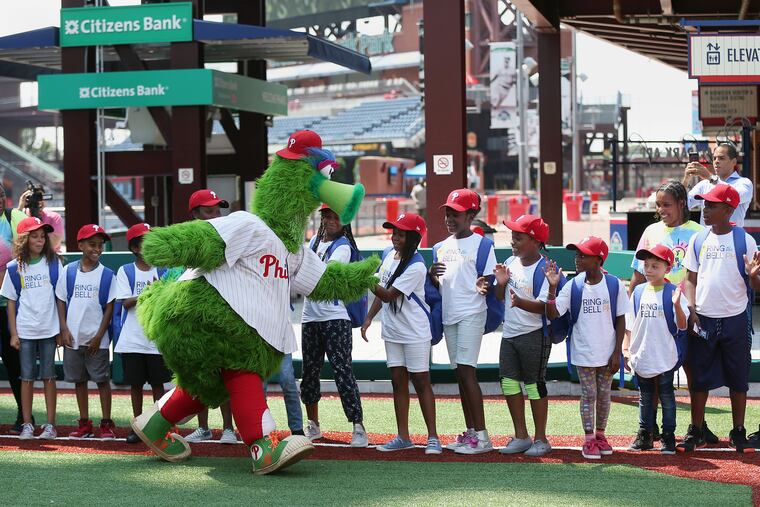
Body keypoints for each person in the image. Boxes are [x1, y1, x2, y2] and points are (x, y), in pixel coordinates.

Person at [679, 184, 760, 453]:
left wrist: (753, 277)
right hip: (703, 318)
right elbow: (690, 278)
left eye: (712, 205)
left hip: (736, 318)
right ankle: (696, 429)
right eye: (705, 204)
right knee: (698, 377)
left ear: (728, 210)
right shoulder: (698, 239)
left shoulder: (744, 240)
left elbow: (755, 285)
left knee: (738, 377)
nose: (705, 210)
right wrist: (691, 309)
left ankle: (738, 430)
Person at [626, 180, 709, 441]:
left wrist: (693, 309)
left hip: (689, 313)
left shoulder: (699, 232)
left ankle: (698, 426)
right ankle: (649, 428)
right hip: (655, 317)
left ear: (682, 204)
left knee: (693, 370)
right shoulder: (651, 231)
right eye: (658, 205)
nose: (661, 210)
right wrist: (630, 305)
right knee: (654, 375)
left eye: (667, 205)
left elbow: (703, 275)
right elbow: (638, 274)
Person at [544, 236, 630, 460]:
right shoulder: (573, 285)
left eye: (583, 255)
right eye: (577, 254)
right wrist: (552, 288)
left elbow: (621, 319)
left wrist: (617, 352)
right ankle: (589, 438)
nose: (577, 259)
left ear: (599, 259)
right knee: (589, 394)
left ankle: (600, 435)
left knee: (604, 395)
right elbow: (553, 313)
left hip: (608, 353)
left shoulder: (614, 285)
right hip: (583, 352)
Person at [362, 212, 441, 454]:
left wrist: (362, 276)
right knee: (397, 382)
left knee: (421, 381)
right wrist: (369, 318)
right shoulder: (389, 255)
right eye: (394, 232)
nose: (395, 237)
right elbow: (383, 290)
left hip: (415, 331)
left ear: (414, 238)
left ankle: (433, 437)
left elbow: (388, 295)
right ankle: (403, 436)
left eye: (401, 234)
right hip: (393, 330)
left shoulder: (416, 265)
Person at [429, 188, 496, 455]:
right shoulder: (440, 247)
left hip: (472, 313)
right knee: (460, 374)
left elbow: (490, 279)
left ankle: (482, 437)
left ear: (471, 215)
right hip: (450, 316)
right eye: (447, 213)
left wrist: (485, 285)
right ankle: (471, 433)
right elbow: (440, 283)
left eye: (455, 214)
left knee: (467, 372)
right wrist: (431, 275)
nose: (449, 218)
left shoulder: (483, 245)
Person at [482, 214, 552, 457]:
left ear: (535, 241)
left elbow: (546, 307)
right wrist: (500, 283)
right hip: (510, 334)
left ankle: (541, 438)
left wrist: (521, 302)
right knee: (509, 382)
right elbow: (499, 297)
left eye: (519, 237)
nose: (513, 241)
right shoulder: (510, 262)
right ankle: (521, 435)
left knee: (534, 385)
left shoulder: (545, 268)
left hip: (534, 335)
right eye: (513, 236)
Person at [301, 205, 367, 446]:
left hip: (336, 318)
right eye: (326, 216)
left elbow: (324, 277)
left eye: (335, 216)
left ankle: (358, 426)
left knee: (342, 371)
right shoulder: (314, 243)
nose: (330, 220)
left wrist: (305, 272)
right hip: (310, 317)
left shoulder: (344, 247)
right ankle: (313, 424)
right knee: (309, 373)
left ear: (345, 220)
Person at [182, 189, 237, 444]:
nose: (215, 215)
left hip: (224, 313)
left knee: (225, 372)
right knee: (200, 374)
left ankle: (228, 429)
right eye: (209, 211)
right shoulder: (187, 241)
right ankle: (203, 428)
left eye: (217, 210)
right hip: (196, 314)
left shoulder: (229, 237)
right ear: (195, 214)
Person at [1, 217, 64, 439]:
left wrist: (61, 329)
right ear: (24, 240)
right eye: (34, 236)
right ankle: (27, 424)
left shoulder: (54, 263)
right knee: (26, 378)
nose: (40, 240)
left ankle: (50, 425)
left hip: (49, 330)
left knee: (49, 376)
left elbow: (60, 298)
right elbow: (10, 301)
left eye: (42, 236)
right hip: (25, 330)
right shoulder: (14, 268)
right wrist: (14, 333)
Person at [625, 244, 689, 455]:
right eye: (646, 265)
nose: (649, 270)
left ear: (667, 268)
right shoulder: (638, 292)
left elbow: (682, 326)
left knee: (667, 395)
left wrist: (677, 305)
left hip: (664, 354)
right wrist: (626, 350)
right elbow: (630, 324)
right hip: (642, 353)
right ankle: (645, 434)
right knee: (645, 396)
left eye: (655, 266)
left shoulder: (673, 292)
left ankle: (668, 436)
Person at [56, 224, 117, 439]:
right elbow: (61, 300)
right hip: (73, 338)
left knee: (102, 380)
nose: (97, 249)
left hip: (97, 340)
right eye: (92, 244)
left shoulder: (107, 275)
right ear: (80, 245)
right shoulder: (68, 271)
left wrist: (99, 336)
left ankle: (106, 423)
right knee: (79, 381)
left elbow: (109, 307)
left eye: (100, 245)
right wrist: (63, 329)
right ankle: (84, 423)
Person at [114, 223, 173, 444]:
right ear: (135, 248)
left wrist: (157, 293)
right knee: (136, 385)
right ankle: (138, 426)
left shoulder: (163, 271)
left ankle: (159, 426)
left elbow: (166, 301)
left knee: (158, 385)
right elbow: (125, 302)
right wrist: (149, 292)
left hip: (155, 339)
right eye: (145, 243)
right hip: (132, 340)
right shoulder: (126, 271)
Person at [0, 184, 28, 433]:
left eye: (0, 195)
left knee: (13, 363)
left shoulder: (14, 218)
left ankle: (24, 415)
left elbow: (30, 248)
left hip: (8, 306)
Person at [683, 143, 753, 227]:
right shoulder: (705, 184)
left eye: (721, 158)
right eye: (714, 158)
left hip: (732, 235)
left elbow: (734, 197)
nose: (716, 161)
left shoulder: (744, 183)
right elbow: (683, 205)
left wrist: (710, 177)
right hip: (707, 235)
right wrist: (686, 179)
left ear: (734, 162)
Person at [17, 186, 63, 251]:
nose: (39, 201)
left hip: (50, 255)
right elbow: (14, 240)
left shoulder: (54, 217)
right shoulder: (20, 216)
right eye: (35, 198)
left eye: (41, 197)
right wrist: (20, 207)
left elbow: (53, 244)